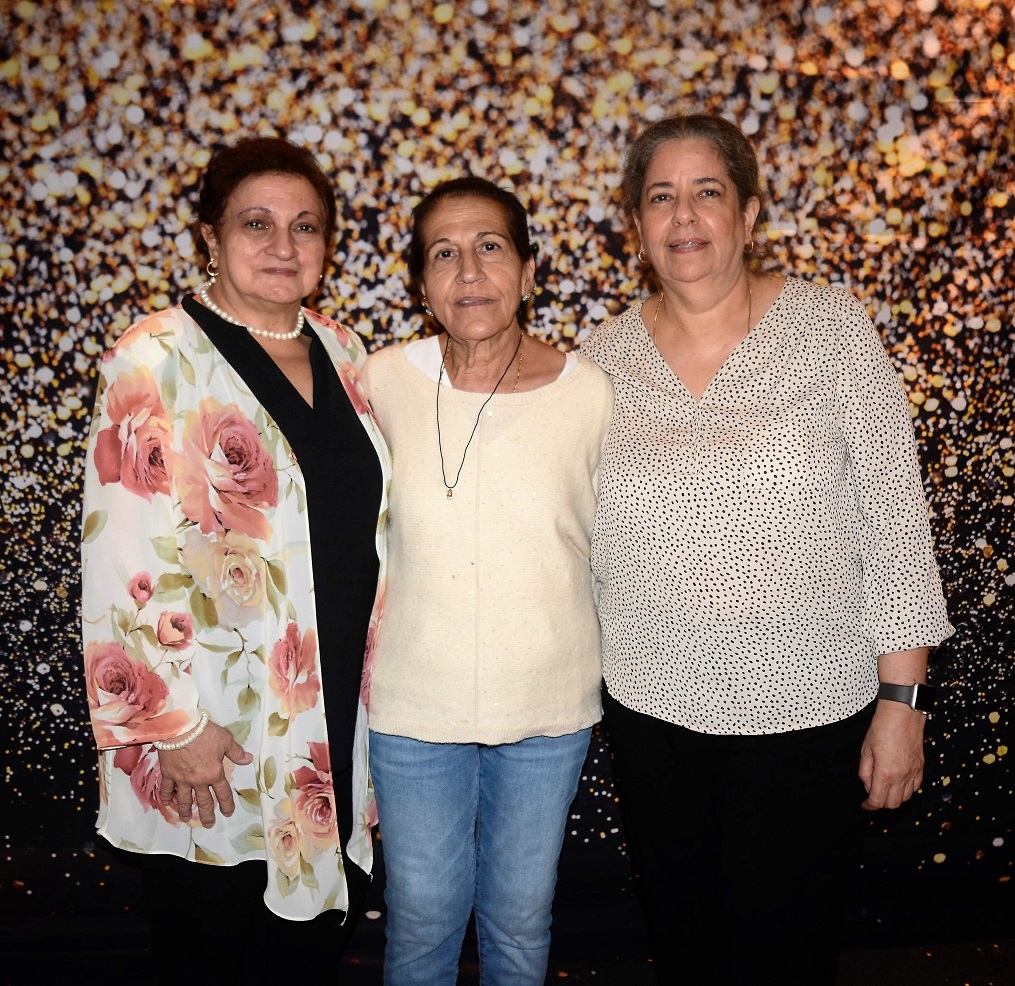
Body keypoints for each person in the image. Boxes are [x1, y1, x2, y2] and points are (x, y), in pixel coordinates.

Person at [580, 114, 953, 986]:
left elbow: (895, 523)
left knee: (786, 955)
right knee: (686, 950)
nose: (684, 217)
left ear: (748, 215)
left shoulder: (830, 331)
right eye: (660, 197)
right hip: (652, 710)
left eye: (706, 192)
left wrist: (903, 701)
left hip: (809, 711)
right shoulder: (598, 362)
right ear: (635, 226)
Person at [79, 136, 389, 983]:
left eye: (305, 227)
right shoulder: (154, 355)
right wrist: (168, 723)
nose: (283, 246)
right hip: (212, 723)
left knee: (306, 950)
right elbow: (116, 551)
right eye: (257, 224)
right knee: (212, 947)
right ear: (209, 236)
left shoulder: (349, 354)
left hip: (326, 716)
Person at [359, 176, 613, 985]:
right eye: (444, 254)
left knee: (516, 924)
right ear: (422, 284)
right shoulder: (378, 382)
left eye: (490, 247)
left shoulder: (590, 394)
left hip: (547, 709)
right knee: (423, 920)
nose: (468, 272)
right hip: (411, 709)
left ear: (530, 270)